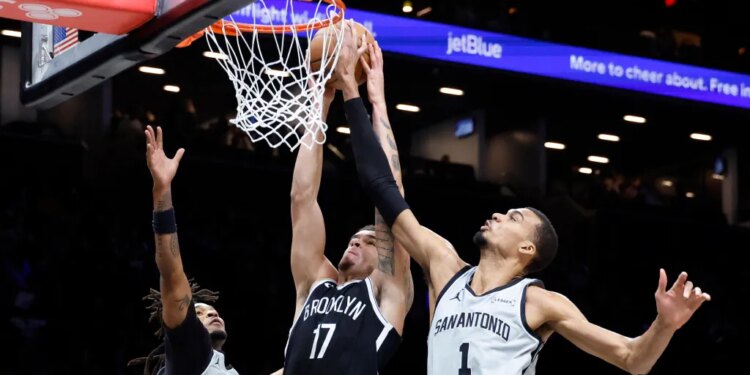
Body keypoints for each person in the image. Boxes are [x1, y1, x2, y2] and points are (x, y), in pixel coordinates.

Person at [339, 35, 712, 375]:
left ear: (527, 248)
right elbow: (384, 190)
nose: (498, 214)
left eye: (513, 217)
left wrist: (664, 325)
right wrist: (367, 99)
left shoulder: (540, 302)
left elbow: (633, 359)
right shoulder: (445, 266)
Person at [281, 21, 413, 374]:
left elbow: (390, 196)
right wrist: (320, 104)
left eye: (368, 240)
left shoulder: (387, 289)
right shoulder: (314, 283)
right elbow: (302, 199)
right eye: (355, 237)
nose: (356, 241)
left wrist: (376, 100)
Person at [137, 125, 239, 375]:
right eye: (200, 313)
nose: (212, 312)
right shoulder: (190, 351)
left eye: (210, 310)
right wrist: (162, 190)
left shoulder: (215, 366)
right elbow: (171, 275)